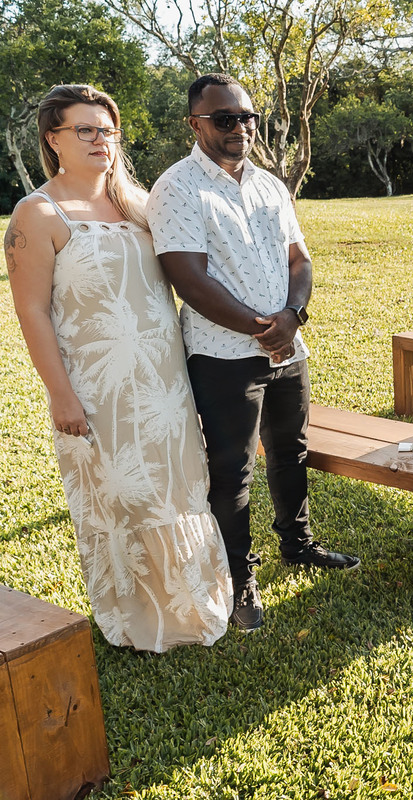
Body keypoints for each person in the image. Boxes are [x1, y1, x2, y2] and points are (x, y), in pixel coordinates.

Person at [3, 84, 232, 652]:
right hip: (98, 385)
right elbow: (31, 310)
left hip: (165, 380)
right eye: (84, 129)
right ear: (53, 139)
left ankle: (194, 604)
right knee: (124, 496)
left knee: (181, 487)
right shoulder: (38, 213)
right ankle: (138, 618)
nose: (100, 140)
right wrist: (60, 394)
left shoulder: (140, 202)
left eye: (107, 129)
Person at [147, 73, 360, 633]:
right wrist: (261, 328)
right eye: (225, 119)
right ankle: (238, 579)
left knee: (291, 451)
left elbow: (299, 259)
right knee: (232, 472)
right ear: (196, 124)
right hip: (222, 356)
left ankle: (299, 544)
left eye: (247, 117)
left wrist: (294, 317)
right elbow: (186, 277)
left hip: (289, 347)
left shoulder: (268, 185)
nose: (240, 127)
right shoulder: (176, 188)